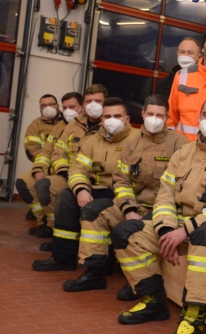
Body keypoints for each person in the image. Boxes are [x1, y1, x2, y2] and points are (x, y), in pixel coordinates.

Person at [112, 96, 206, 334]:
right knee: (125, 233)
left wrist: (186, 229)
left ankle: (193, 319)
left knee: (205, 233)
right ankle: (154, 300)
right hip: (179, 228)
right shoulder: (183, 153)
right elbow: (165, 195)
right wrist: (166, 229)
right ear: (199, 117)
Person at [62, 94, 188, 293]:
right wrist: (129, 209)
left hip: (163, 210)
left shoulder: (180, 145)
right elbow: (122, 181)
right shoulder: (132, 144)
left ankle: (138, 280)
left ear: (166, 117)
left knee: (136, 229)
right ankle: (94, 272)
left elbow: (183, 185)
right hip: (134, 205)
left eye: (159, 115)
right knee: (94, 211)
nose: (154, 118)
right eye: (150, 114)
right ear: (143, 114)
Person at [33, 97, 135, 273]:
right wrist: (81, 189)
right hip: (97, 188)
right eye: (107, 116)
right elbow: (77, 169)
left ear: (127, 119)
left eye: (117, 116)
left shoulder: (136, 141)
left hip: (123, 193)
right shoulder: (93, 141)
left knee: (96, 207)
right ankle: (63, 258)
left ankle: (99, 265)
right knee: (66, 197)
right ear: (101, 120)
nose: (112, 120)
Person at [33, 85, 106, 243]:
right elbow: (59, 152)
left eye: (98, 101)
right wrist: (65, 173)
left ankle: (75, 239)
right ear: (84, 104)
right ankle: (57, 233)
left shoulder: (111, 126)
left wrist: (86, 180)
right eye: (89, 101)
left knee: (72, 196)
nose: (93, 105)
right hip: (68, 176)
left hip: (95, 180)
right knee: (44, 185)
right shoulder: (75, 124)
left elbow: (110, 163)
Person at [16, 94, 66, 229]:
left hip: (63, 168)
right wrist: (42, 166)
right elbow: (31, 149)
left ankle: (53, 223)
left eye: (51, 104)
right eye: (44, 105)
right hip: (44, 166)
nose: (48, 108)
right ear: (40, 108)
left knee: (45, 186)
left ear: (58, 106)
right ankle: (41, 217)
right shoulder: (35, 125)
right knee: (23, 183)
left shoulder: (68, 122)